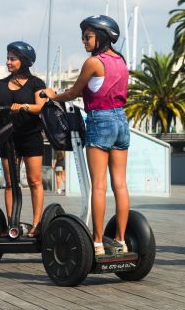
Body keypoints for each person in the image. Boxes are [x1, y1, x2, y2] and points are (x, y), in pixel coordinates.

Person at [44, 15, 130, 256]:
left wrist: (53, 96)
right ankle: (122, 240)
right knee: (120, 185)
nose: (83, 40)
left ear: (102, 37)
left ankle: (98, 242)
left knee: (99, 185)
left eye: (88, 36)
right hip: (121, 121)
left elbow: (73, 92)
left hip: (100, 120)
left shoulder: (94, 62)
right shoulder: (121, 61)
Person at [0, 41, 47, 237]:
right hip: (7, 137)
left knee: (34, 181)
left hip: (30, 136)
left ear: (24, 61)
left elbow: (41, 106)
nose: (8, 62)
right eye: (8, 58)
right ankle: (12, 224)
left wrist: (24, 106)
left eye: (12, 59)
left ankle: (36, 224)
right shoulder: (0, 84)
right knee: (11, 183)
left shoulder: (36, 83)